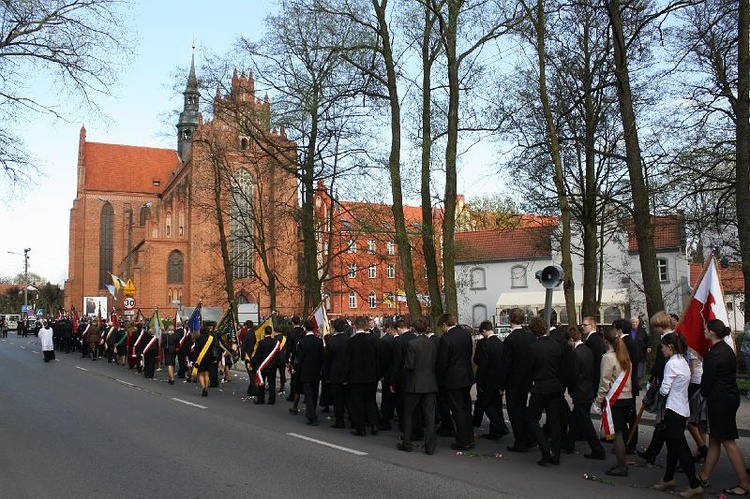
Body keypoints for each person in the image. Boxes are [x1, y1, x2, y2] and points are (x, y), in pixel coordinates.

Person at [698, 319, 750, 496]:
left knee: (728, 441)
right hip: (728, 398)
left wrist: (702, 394)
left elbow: (706, 383)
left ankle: (744, 483)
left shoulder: (713, 355)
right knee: (715, 439)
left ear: (712, 332)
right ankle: (704, 475)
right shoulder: (726, 350)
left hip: (719, 401)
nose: (704, 331)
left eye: (706, 329)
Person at [651, 333, 702, 497]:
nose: (662, 350)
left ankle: (694, 485)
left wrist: (656, 389)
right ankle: (668, 478)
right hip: (682, 408)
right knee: (673, 445)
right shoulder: (683, 362)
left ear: (670, 347)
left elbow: (665, 389)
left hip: (673, 408)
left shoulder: (671, 364)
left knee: (679, 447)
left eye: (664, 347)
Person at [594, 327, 633, 477]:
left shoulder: (608, 357)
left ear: (605, 341)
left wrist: (598, 401)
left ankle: (622, 465)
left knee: (617, 434)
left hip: (615, 399)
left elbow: (604, 382)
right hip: (626, 397)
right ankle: (621, 463)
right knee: (620, 431)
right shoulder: (625, 355)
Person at [526, 317, 565, 467]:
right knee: (554, 421)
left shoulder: (534, 347)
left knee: (532, 418)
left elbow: (529, 368)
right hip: (555, 386)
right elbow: (562, 365)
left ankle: (545, 451)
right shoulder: (556, 345)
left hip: (541, 386)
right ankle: (556, 454)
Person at [562, 325, 605, 460]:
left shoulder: (575, 354)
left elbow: (573, 375)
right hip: (588, 388)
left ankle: (597, 448)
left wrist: (570, 389)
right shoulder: (587, 350)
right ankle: (569, 443)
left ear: (570, 339)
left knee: (585, 421)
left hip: (580, 390)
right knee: (576, 418)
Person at [397, 317, 438, 455]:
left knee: (408, 413)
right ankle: (430, 446)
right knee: (430, 415)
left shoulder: (412, 344)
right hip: (430, 383)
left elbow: (409, 365)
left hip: (414, 383)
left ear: (414, 329)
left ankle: (407, 443)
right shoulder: (432, 343)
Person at [638, 311, 675, 464]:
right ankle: (652, 452)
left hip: (666, 384)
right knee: (662, 424)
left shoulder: (667, 340)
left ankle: (674, 456)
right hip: (664, 382)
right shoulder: (668, 338)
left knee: (664, 424)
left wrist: (654, 376)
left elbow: (662, 364)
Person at [436, 313, 475, 451]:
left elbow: (442, 362)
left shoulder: (446, 339)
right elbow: (470, 353)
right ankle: (469, 438)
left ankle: (463, 441)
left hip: (453, 379)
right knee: (466, 408)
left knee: (457, 410)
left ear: (445, 325)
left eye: (442, 327)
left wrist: (440, 378)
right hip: (467, 376)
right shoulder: (466, 334)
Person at [499, 307, 535, 453]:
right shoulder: (530, 337)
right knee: (523, 409)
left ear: (510, 320)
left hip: (513, 381)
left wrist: (501, 384)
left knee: (514, 412)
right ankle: (529, 437)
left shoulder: (510, 339)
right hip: (526, 380)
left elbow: (506, 364)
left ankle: (521, 441)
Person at [473, 320, 508, 440]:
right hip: (498, 380)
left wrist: (481, 382)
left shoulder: (484, 345)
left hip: (487, 380)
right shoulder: (501, 344)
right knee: (497, 405)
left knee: (486, 404)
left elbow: (481, 363)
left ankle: (501, 427)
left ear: (483, 330)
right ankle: (495, 431)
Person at [346, 316, 381, 436]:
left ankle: (360, 428)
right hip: (371, 375)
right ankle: (374, 425)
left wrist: (346, 376)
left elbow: (348, 361)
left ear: (355, 326)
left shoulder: (351, 341)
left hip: (356, 376)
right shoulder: (374, 340)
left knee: (358, 402)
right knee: (371, 400)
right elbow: (378, 359)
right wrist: (379, 374)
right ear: (366, 325)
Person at [296, 319, 324, 425]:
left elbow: (300, 359)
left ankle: (312, 415)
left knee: (308, 395)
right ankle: (312, 412)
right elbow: (322, 357)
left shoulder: (302, 342)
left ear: (305, 328)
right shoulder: (319, 341)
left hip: (306, 371)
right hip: (316, 371)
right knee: (315, 393)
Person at [323, 318, 350, 429]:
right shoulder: (349, 340)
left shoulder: (330, 341)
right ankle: (353, 418)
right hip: (347, 372)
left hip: (335, 372)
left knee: (337, 398)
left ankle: (340, 421)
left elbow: (327, 360)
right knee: (348, 397)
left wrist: (327, 375)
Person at [252, 325, 281, 405]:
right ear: (271, 332)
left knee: (261, 382)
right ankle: (271, 400)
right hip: (273, 366)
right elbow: (277, 355)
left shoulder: (261, 342)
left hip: (263, 366)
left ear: (264, 332)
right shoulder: (276, 342)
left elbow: (258, 355)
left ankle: (261, 399)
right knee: (272, 383)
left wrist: (253, 361)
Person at [583, 316, 605, 398]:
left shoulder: (592, 340)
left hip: (594, 374)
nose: (582, 327)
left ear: (592, 326)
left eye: (585, 325)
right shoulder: (596, 338)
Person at [192, 326, 216, 396]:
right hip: (209, 358)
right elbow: (213, 349)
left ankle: (203, 387)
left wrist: (194, 360)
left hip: (200, 358)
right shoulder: (211, 339)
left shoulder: (198, 339)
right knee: (206, 374)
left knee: (200, 374)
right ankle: (206, 388)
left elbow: (196, 350)